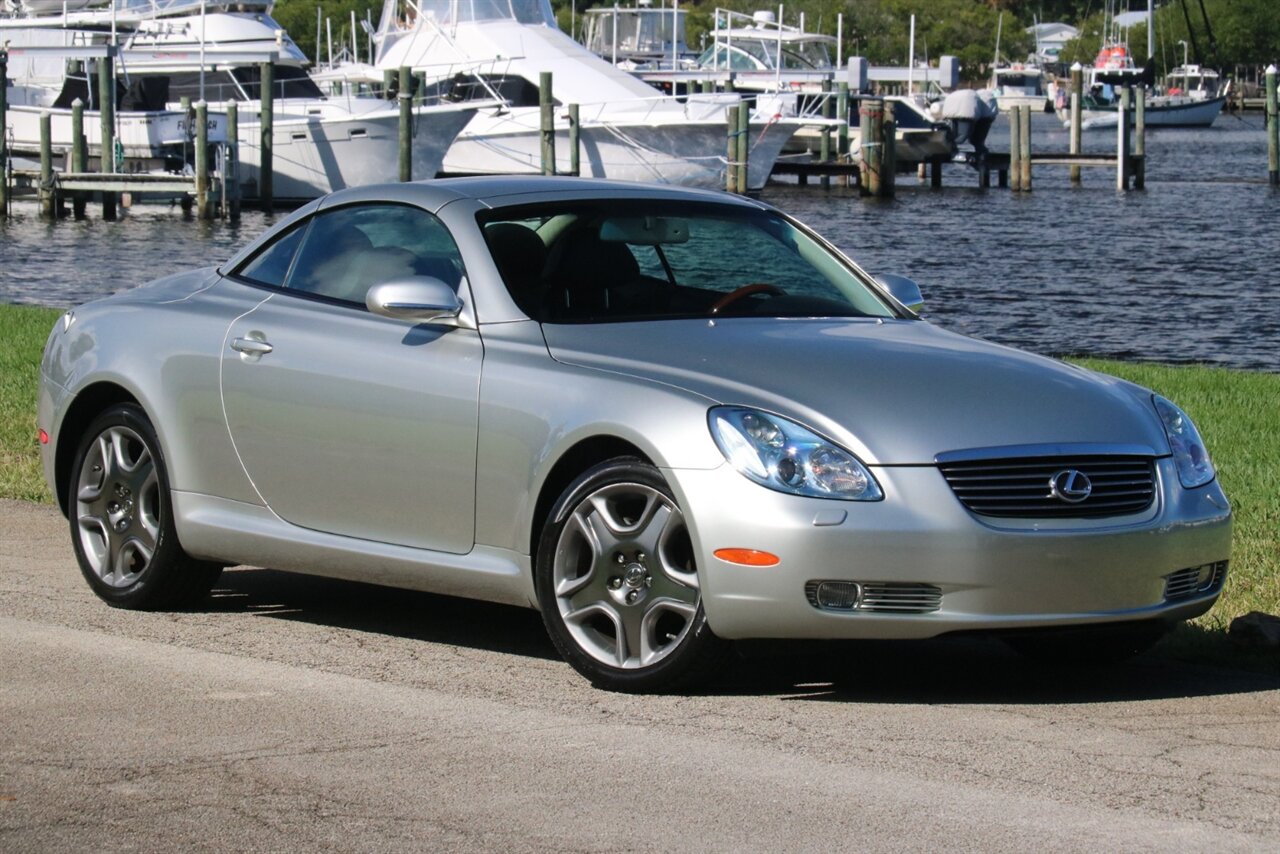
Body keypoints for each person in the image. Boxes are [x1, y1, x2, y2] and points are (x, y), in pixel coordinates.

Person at [941, 88, 998, 157]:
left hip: (958, 109)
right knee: (966, 138)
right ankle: (978, 150)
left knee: (959, 136)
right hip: (968, 111)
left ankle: (951, 147)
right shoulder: (984, 100)